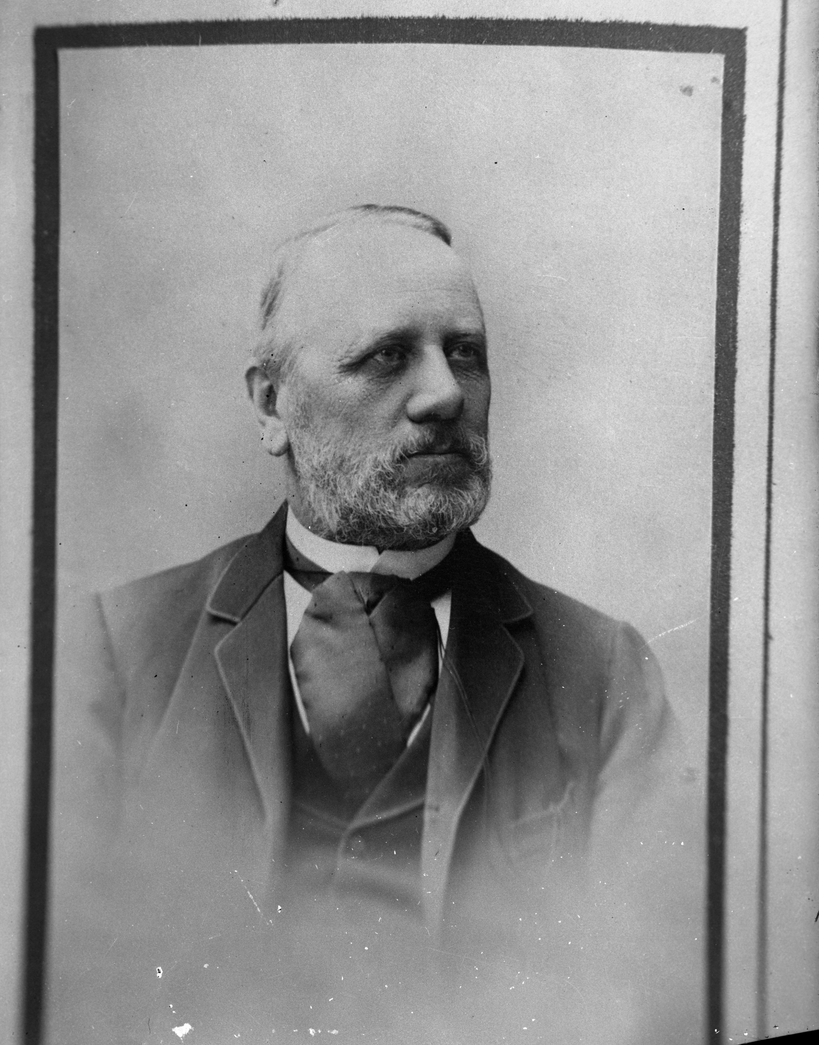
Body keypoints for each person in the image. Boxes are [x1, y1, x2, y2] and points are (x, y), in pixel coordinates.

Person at [48, 205, 702, 1045]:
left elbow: (652, 995)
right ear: (272, 406)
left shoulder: (603, 673)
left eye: (464, 353)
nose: (444, 395)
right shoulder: (112, 651)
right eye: (387, 356)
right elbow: (65, 982)